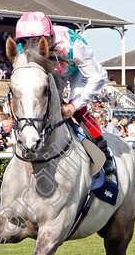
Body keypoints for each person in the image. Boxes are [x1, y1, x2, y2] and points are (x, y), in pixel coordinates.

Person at [14, 11, 114, 180]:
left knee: (77, 108)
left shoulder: (75, 47)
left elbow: (99, 76)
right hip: (52, 70)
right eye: (25, 42)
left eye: (36, 41)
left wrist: (73, 106)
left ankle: (104, 153)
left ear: (49, 38)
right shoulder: (21, 49)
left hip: (76, 71)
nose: (30, 46)